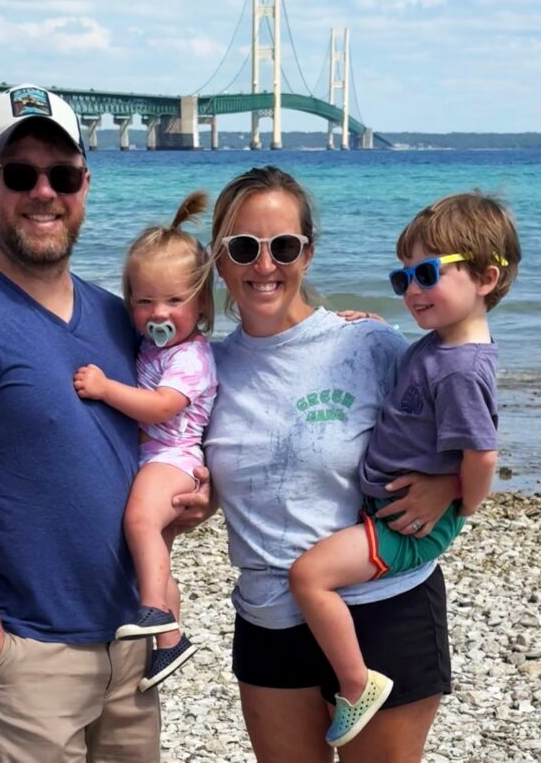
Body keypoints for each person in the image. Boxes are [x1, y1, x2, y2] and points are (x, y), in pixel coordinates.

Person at [0, 85, 162, 763]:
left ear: (85, 186)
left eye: (62, 175)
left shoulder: (113, 316)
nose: (44, 191)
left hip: (131, 638)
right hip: (34, 650)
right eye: (20, 174)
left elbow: (154, 437)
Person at [184, 165, 466, 763]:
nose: (264, 266)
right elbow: (190, 475)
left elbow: (469, 417)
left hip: (383, 611)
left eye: (283, 246)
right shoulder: (203, 369)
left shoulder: (369, 347)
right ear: (219, 257)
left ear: (307, 254)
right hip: (267, 618)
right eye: (243, 248)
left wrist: (449, 483)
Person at [289, 191, 521, 747]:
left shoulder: (461, 370)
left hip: (407, 526)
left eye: (425, 273)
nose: (413, 290)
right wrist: (371, 326)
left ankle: (357, 683)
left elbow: (483, 454)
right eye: (402, 280)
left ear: (486, 278)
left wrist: (460, 499)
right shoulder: (440, 347)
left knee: (309, 577)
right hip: (391, 511)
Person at [73, 192, 217, 692]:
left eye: (175, 301)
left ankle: (155, 612)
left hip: (173, 456)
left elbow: (161, 408)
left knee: (140, 521)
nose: (159, 312)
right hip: (154, 455)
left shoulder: (191, 358)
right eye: (143, 301)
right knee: (154, 545)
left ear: (201, 305)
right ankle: (169, 643)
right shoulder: (155, 348)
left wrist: (106, 389)